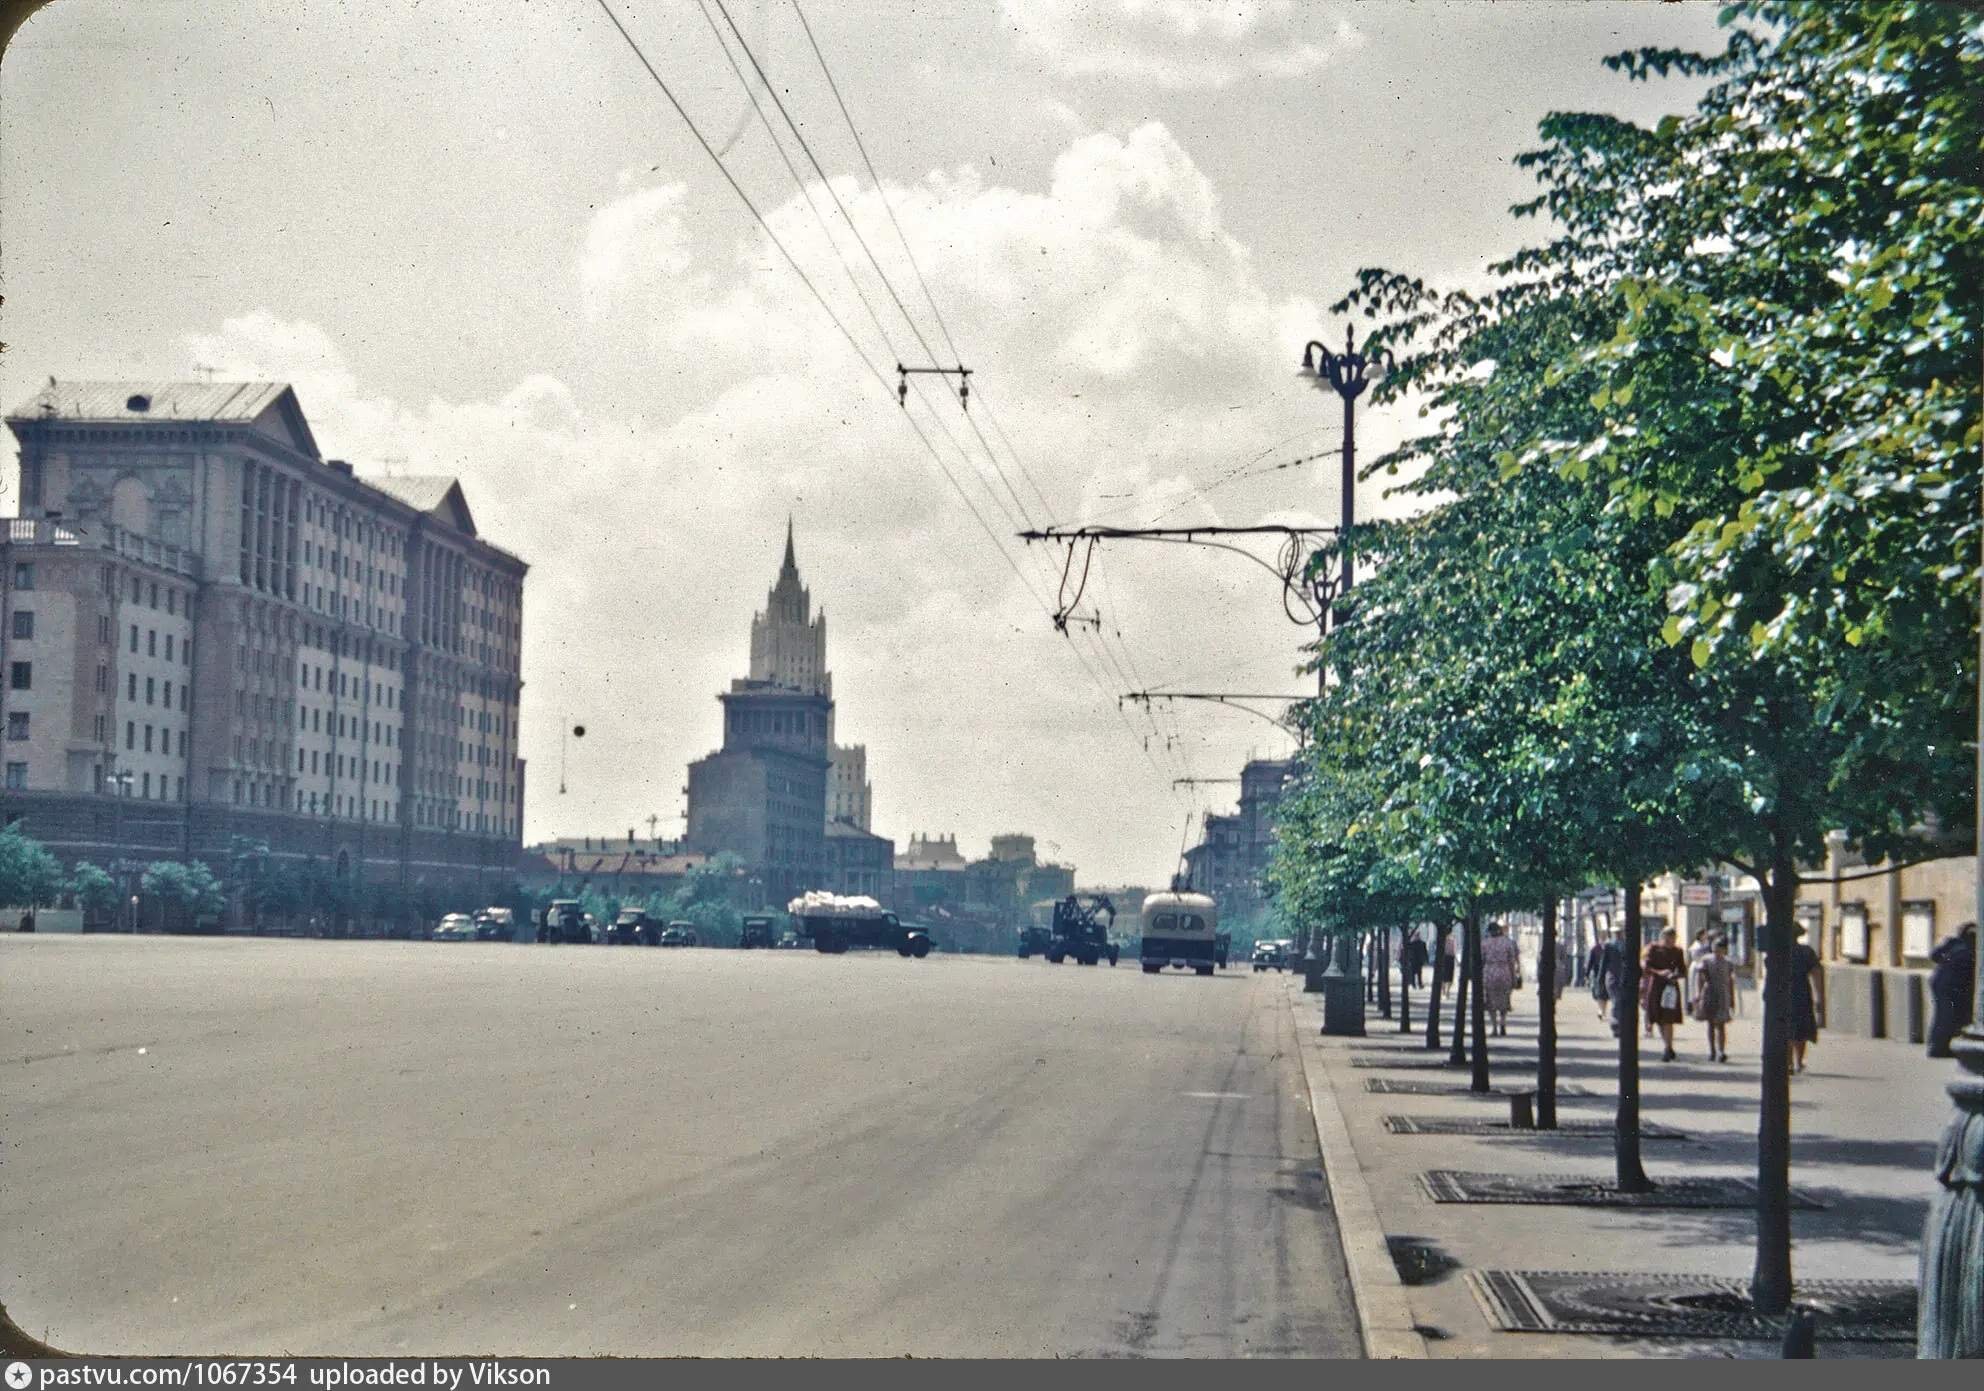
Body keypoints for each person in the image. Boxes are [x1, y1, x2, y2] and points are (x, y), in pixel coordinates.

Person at [1927, 921, 1977, 1059]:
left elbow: (1934, 955)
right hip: (1948, 985)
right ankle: (1937, 1049)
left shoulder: (1954, 944)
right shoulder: (1968, 948)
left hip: (1941, 982)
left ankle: (1938, 1046)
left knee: (1944, 1015)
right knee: (1946, 1016)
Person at [1643, 926, 1688, 1061]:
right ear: (1662, 937)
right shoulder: (1653, 948)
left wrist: (1675, 975)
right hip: (1656, 985)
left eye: (1673, 939)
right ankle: (1668, 1046)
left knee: (1668, 1018)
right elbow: (1646, 967)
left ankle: (1667, 1049)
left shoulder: (1678, 951)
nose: (1671, 942)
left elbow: (1683, 970)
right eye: (1668, 939)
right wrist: (1659, 972)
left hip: (1670, 987)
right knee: (1658, 1018)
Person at [1691, 935, 1738, 1061]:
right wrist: (1698, 994)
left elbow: (1730, 981)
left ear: (1724, 950)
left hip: (1723, 994)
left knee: (1721, 1024)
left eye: (1720, 949)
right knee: (1711, 1023)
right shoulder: (1706, 960)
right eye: (1715, 948)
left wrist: (1732, 999)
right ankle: (1712, 1050)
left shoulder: (1728, 963)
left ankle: (1721, 1051)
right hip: (1709, 993)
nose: (1717, 952)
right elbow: (1701, 978)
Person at [1786, 924, 1825, 1073]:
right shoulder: (1806, 952)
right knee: (1800, 1031)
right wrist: (1818, 997)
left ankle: (1789, 1062)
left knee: (1787, 1030)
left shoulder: (1780, 952)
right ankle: (1798, 1062)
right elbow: (1816, 975)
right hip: (1801, 993)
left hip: (1784, 995)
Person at [1479, 921, 1522, 1037]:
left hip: (1490, 973)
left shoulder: (1484, 944)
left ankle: (1494, 1028)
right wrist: (1514, 977)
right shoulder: (1507, 943)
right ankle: (1503, 1022)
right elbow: (1512, 961)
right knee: (1504, 1000)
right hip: (1505, 972)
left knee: (1490, 1002)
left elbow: (1481, 961)